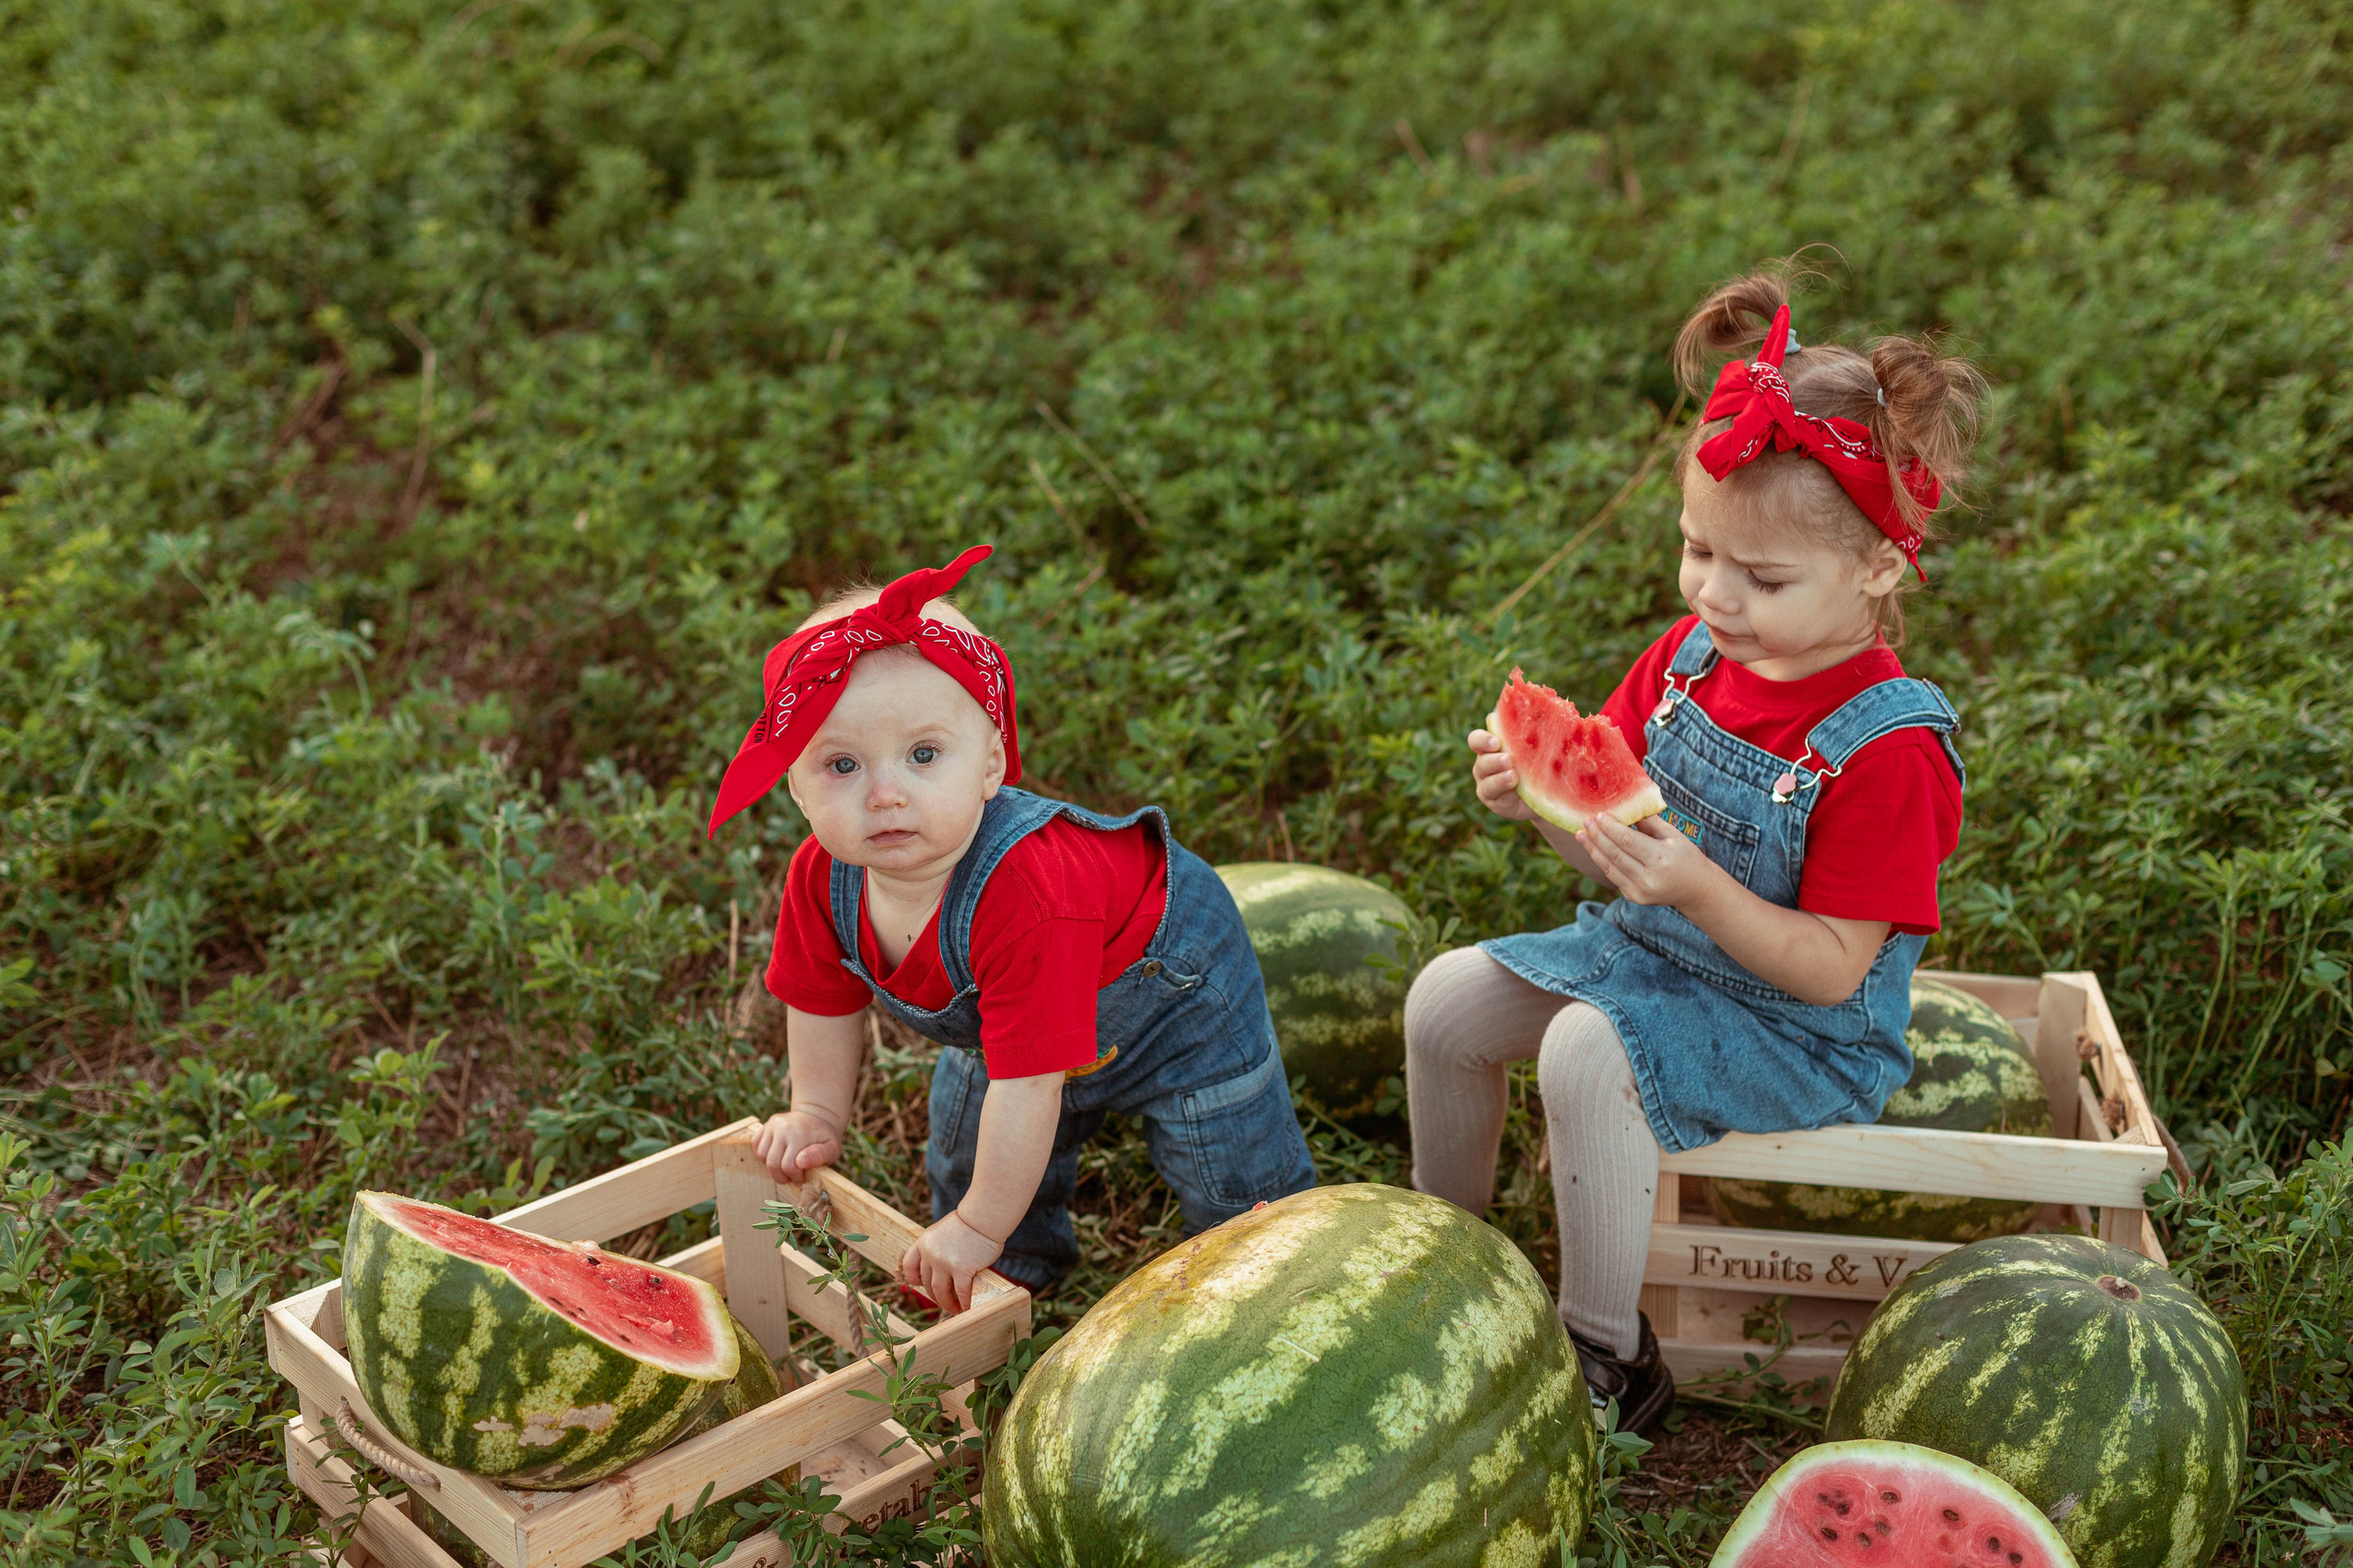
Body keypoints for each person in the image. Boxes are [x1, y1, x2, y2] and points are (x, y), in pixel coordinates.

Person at [1407, 268, 1986, 1435]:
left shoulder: (1887, 750)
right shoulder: (1687, 658)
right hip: (1647, 960)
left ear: (1879, 568)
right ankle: (1441, 1260)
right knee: (1442, 1003)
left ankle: (1607, 1356)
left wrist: (1699, 889)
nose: (1714, 595)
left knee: (1583, 1050)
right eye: (1696, 549)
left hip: (1799, 1037)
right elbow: (1616, 852)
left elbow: (1831, 970)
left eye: (1762, 577)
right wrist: (1540, 805)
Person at [708, 545, 1316, 1312]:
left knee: (1232, 1171)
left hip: (1172, 999)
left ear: (991, 765)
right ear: (794, 785)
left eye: (923, 754)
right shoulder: (820, 879)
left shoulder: (1026, 891)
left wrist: (976, 1226)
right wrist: (817, 1114)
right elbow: (821, 1001)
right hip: (1016, 1020)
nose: (886, 794)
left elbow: (1029, 1085)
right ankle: (1009, 1272)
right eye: (842, 766)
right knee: (968, 1148)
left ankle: (1274, 1282)